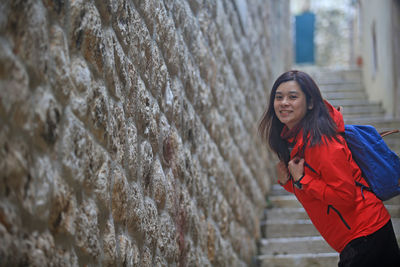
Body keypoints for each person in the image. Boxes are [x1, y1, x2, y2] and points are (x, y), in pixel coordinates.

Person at [258, 70, 400, 266]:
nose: (283, 103)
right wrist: (289, 181)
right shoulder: (300, 141)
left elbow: (344, 196)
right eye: (278, 97)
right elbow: (317, 191)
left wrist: (301, 180)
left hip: (367, 234)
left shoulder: (321, 142)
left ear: (310, 103)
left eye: (292, 97)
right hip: (360, 236)